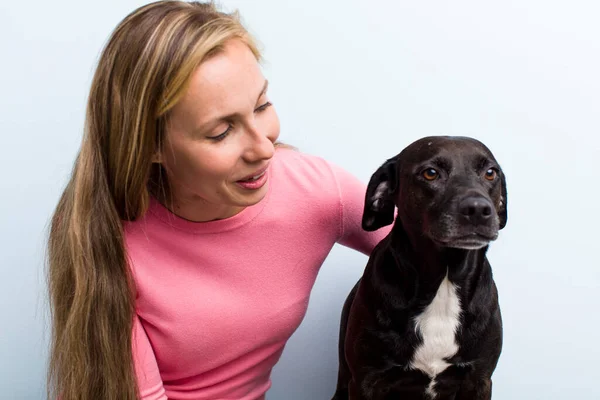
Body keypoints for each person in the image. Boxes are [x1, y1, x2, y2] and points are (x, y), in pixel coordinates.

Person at [47, 1, 391, 399]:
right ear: (151, 146)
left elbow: (437, 254)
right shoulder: (105, 239)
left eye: (261, 106)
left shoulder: (314, 189)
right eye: (221, 132)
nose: (264, 148)